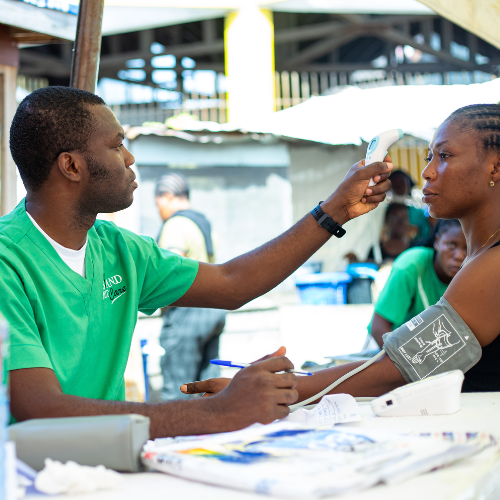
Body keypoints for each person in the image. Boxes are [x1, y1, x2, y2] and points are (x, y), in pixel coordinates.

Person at [3, 86, 392, 437]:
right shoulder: (9, 259)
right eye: (117, 144)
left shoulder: (118, 248)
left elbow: (233, 282)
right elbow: (39, 408)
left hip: (113, 463)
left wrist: (335, 210)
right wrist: (216, 413)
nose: (129, 156)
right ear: (71, 166)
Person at [184, 103, 500, 400]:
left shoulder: (493, 266)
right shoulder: (481, 258)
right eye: (430, 157)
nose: (428, 172)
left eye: (443, 156)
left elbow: (398, 369)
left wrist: (275, 389)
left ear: (495, 168)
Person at [154, 173, 226, 400]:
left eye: (158, 204)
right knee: (209, 388)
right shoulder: (204, 225)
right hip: (213, 311)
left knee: (180, 389)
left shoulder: (175, 225)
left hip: (187, 314)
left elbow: (172, 271)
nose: (159, 211)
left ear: (166, 196)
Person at [368, 219, 466, 349]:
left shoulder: (472, 275)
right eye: (451, 245)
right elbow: (379, 328)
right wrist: (407, 366)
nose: (459, 256)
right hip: (390, 349)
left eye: (467, 248)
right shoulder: (410, 266)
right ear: (437, 241)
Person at [389, 170, 431, 240]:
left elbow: (426, 236)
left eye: (402, 182)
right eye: (395, 182)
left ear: (409, 186)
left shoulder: (418, 214)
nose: (398, 185)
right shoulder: (381, 213)